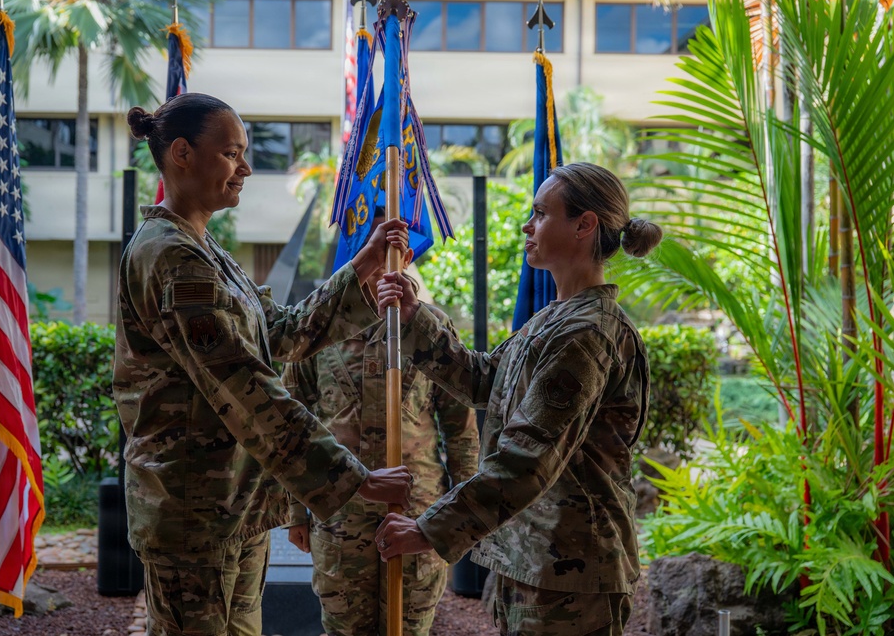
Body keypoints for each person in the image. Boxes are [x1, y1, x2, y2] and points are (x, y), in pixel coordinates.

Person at [113, 92, 412, 636]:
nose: (245, 168)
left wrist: (360, 272)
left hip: (232, 506)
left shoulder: (206, 252)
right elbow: (244, 385)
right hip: (195, 515)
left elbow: (276, 336)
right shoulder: (173, 257)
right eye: (232, 153)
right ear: (181, 153)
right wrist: (352, 477)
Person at [373, 162, 663, 636]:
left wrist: (430, 529)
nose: (528, 225)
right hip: (534, 558)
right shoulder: (557, 319)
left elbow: (527, 457)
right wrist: (414, 317)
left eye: (541, 213)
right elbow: (484, 380)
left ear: (584, 225)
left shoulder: (586, 332)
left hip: (570, 570)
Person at [282, 210, 480, 636]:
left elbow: (460, 428)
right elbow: (293, 420)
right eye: (363, 245)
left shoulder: (430, 326)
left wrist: (463, 516)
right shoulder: (318, 329)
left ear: (406, 256)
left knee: (408, 628)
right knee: (344, 628)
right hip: (338, 512)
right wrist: (294, 510)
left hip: (415, 510)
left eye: (389, 249)